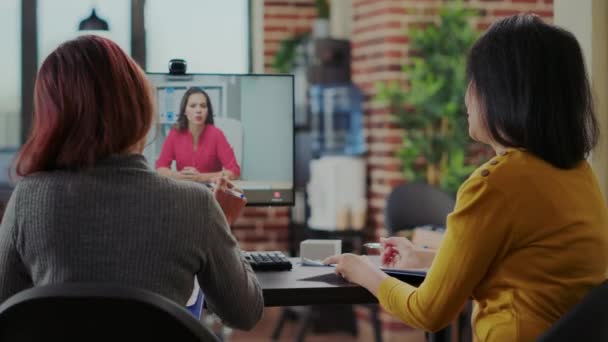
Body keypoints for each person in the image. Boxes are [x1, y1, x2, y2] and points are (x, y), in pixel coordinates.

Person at [324, 14, 608, 341]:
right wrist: (428, 258)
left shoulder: (496, 183)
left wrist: (363, 270)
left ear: (505, 93)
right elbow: (526, 272)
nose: (468, 95)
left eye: (477, 81)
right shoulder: (577, 173)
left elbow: (428, 312)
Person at [0, 35, 263, 330]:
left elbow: (7, 310)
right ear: (139, 104)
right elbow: (245, 313)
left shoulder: (27, 200)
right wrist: (220, 226)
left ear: (50, 116)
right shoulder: (197, 205)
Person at [156, 87, 240, 182]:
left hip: (210, 192)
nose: (198, 110)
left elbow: (234, 171)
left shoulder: (216, 134)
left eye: (203, 106)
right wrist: (178, 175)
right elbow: (160, 168)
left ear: (207, 111)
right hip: (185, 190)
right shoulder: (175, 133)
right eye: (193, 106)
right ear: (184, 111)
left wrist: (201, 177)